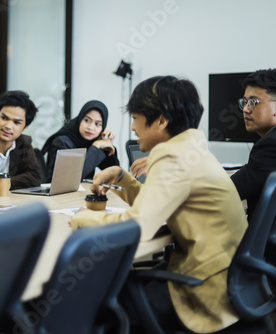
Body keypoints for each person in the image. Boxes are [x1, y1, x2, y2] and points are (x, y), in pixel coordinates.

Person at [71, 76, 248, 333]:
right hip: (230, 280)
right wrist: (122, 177)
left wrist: (83, 218)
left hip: (202, 291)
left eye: (135, 118)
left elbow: (136, 228)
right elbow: (159, 204)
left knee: (91, 302)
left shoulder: (172, 156)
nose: (132, 127)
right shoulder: (192, 147)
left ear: (162, 121)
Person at [231, 68, 276, 221]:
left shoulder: (270, 145)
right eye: (244, 102)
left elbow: (229, 191)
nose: (245, 109)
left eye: (253, 102)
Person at [41, 100, 119, 182]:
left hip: (83, 192)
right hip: (57, 193)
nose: (91, 127)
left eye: (97, 124)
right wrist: (96, 146)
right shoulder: (62, 142)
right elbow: (71, 179)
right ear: (80, 119)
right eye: (87, 120)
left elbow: (114, 174)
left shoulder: (93, 142)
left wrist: (107, 144)